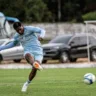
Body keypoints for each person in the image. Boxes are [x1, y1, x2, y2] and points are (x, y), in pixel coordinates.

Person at [0, 22, 46, 92]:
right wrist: (1, 48)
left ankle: (27, 83)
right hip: (28, 51)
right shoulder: (17, 36)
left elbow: (42, 30)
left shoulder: (29, 29)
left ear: (22, 26)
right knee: (28, 55)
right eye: (17, 30)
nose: (19, 31)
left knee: (34, 69)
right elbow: (12, 44)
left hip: (38, 51)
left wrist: (41, 36)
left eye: (20, 29)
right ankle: (34, 64)